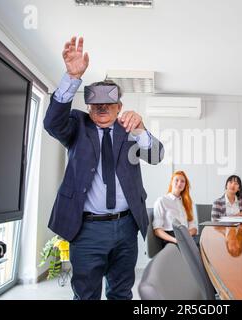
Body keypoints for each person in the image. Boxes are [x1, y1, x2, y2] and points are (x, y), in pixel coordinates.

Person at [43, 36, 164, 300]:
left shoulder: (129, 131)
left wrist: (141, 129)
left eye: (109, 102)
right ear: (88, 105)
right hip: (87, 229)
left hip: (126, 227)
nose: (101, 107)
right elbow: (53, 123)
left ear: (120, 107)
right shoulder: (77, 125)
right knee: (86, 295)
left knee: (121, 293)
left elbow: (156, 156)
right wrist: (71, 78)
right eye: (95, 102)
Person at [152, 171, 198, 245]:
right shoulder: (162, 201)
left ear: (185, 185)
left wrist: (186, 236)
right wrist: (176, 240)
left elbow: (193, 228)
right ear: (171, 182)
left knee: (205, 245)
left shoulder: (187, 203)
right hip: (171, 239)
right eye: (177, 180)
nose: (179, 183)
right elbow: (157, 230)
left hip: (187, 236)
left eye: (182, 181)